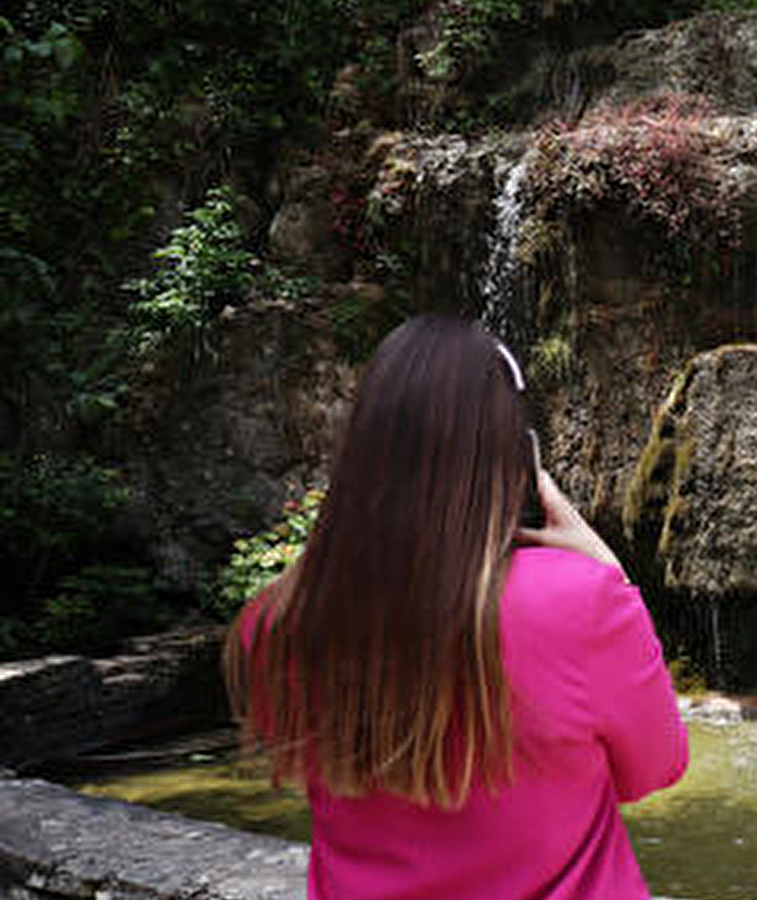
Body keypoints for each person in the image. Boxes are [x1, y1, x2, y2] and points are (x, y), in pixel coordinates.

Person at [225, 314, 688, 900]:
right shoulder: (582, 600)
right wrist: (611, 572)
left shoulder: (278, 622)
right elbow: (656, 767)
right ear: (519, 460)